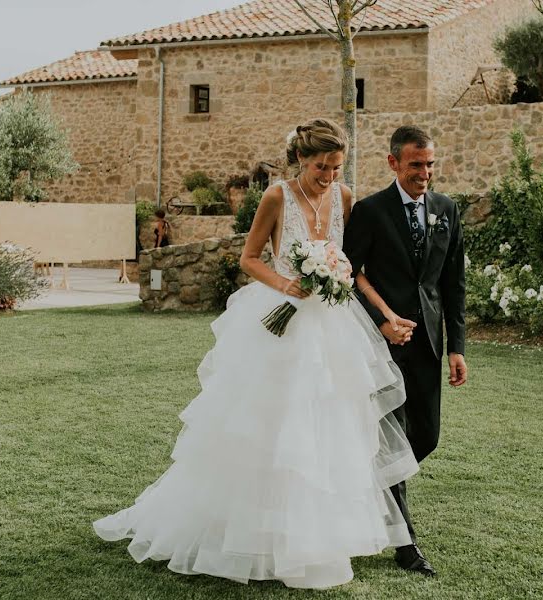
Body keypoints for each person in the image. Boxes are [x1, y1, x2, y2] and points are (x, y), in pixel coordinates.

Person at [93, 119, 420, 589]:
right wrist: (288, 282)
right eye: (321, 167)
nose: (329, 176)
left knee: (327, 427)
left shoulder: (344, 198)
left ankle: (315, 537)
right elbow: (249, 258)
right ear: (301, 160)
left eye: (336, 168)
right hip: (279, 322)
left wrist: (345, 280)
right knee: (269, 429)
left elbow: (354, 261)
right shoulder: (276, 197)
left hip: (332, 325)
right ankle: (252, 537)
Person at [343, 125, 468, 578]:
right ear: (394, 162)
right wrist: (382, 322)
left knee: (426, 437)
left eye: (430, 164)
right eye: (416, 164)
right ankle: (405, 545)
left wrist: (457, 347)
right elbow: (347, 274)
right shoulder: (370, 211)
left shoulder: (446, 209)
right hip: (380, 344)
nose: (425, 173)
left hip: (429, 343)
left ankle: (366, 487)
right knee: (390, 437)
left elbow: (454, 283)